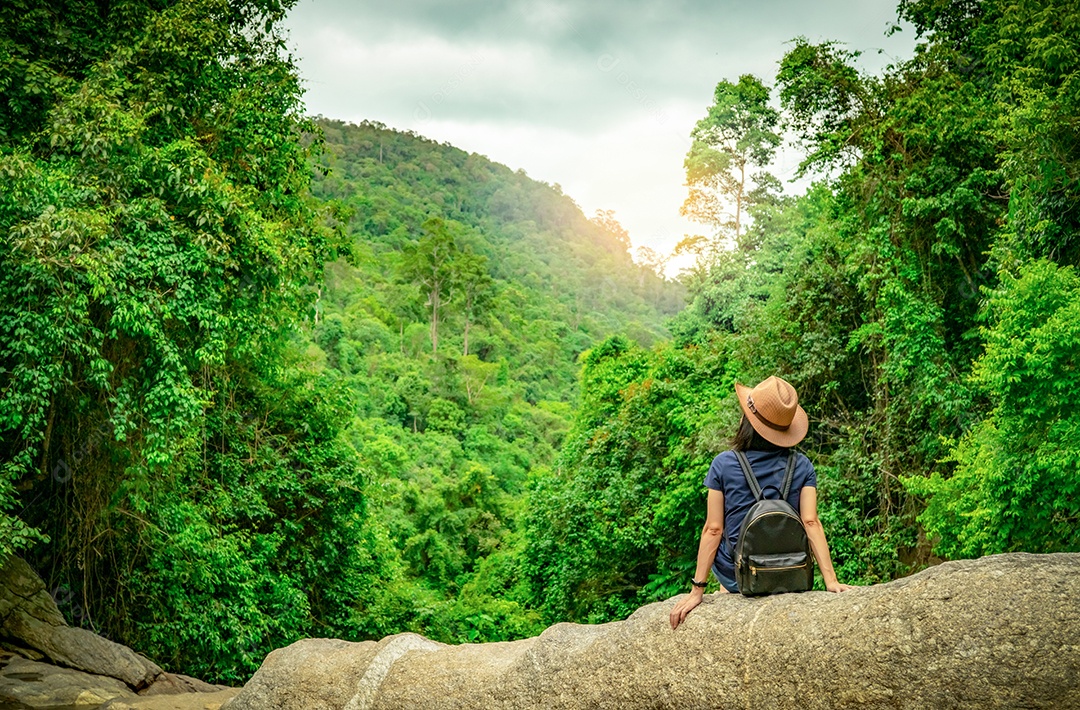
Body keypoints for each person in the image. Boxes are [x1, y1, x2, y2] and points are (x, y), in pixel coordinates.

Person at [669, 375, 852, 630]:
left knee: (730, 553)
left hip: (736, 576)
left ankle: (731, 590)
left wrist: (696, 591)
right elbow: (811, 522)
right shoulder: (802, 465)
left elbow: (714, 529)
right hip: (789, 574)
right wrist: (831, 581)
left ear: (747, 420)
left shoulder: (723, 464)